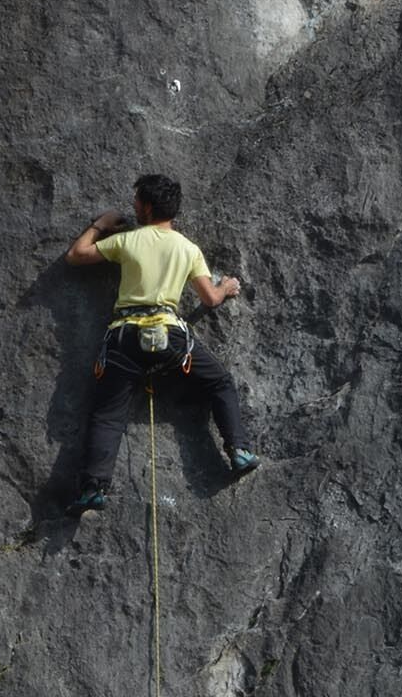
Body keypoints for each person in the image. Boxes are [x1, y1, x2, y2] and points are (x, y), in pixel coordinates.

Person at [61, 173, 256, 515]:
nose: (133, 206)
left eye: (137, 200)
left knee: (108, 414)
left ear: (148, 207)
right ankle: (238, 449)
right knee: (220, 382)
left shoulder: (128, 241)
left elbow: (76, 255)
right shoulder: (187, 247)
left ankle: (93, 487)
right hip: (171, 340)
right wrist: (226, 286)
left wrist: (100, 224)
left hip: (126, 337)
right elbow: (210, 298)